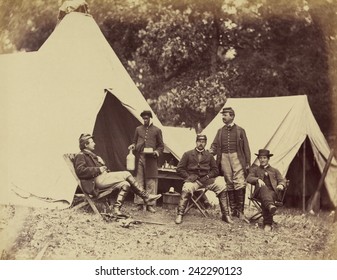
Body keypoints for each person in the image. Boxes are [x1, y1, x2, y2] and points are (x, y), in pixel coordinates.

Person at [74, 133, 161, 216]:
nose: (95, 143)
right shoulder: (81, 155)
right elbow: (80, 171)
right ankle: (145, 196)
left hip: (102, 178)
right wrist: (99, 169)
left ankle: (116, 209)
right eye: (92, 142)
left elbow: (97, 168)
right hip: (96, 182)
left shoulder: (90, 155)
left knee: (125, 184)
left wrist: (101, 162)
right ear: (86, 145)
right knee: (126, 173)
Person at [175, 134, 233, 224]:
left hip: (207, 181)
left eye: (203, 142)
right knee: (186, 187)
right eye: (199, 141)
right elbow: (179, 169)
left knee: (222, 186)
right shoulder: (188, 154)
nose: (201, 144)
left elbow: (215, 170)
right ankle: (180, 214)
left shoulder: (209, 156)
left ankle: (226, 215)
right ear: (196, 142)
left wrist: (207, 176)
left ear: (205, 143)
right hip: (193, 181)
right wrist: (188, 177)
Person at [210, 107, 251, 222]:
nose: (223, 117)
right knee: (229, 182)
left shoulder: (240, 130)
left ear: (232, 116)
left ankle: (240, 212)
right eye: (222, 115)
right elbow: (214, 146)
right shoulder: (220, 131)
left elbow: (246, 148)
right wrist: (209, 152)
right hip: (224, 157)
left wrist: (247, 162)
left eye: (225, 115)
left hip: (237, 157)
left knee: (239, 182)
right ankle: (233, 210)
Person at [128, 110, 164, 213]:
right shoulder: (138, 129)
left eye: (147, 118)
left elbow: (161, 146)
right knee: (138, 181)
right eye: (143, 118)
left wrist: (157, 152)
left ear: (151, 118)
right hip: (140, 157)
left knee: (150, 182)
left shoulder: (157, 130)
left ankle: (150, 205)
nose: (145, 120)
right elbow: (134, 142)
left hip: (151, 159)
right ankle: (139, 203)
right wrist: (133, 146)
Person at [246, 149, 286, 232]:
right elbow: (249, 178)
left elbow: (281, 180)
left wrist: (281, 185)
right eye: (260, 158)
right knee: (263, 187)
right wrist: (257, 180)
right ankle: (268, 222)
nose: (262, 160)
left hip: (272, 193)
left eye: (264, 158)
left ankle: (269, 212)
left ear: (268, 159)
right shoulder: (255, 169)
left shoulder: (275, 170)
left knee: (268, 196)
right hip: (259, 192)